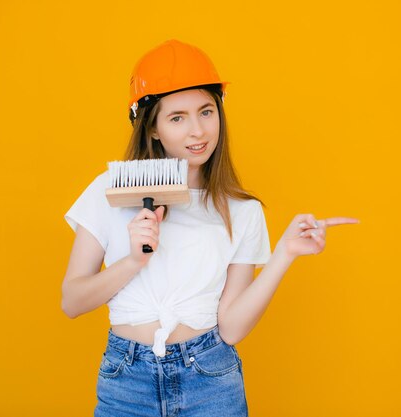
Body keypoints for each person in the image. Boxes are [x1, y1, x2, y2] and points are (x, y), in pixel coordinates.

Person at [61, 39, 359, 417]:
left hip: (209, 379)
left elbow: (231, 329)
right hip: (126, 381)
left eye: (206, 111)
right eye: (177, 118)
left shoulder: (241, 211)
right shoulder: (110, 190)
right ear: (152, 128)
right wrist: (134, 261)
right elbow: (72, 301)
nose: (197, 131)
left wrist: (285, 253)